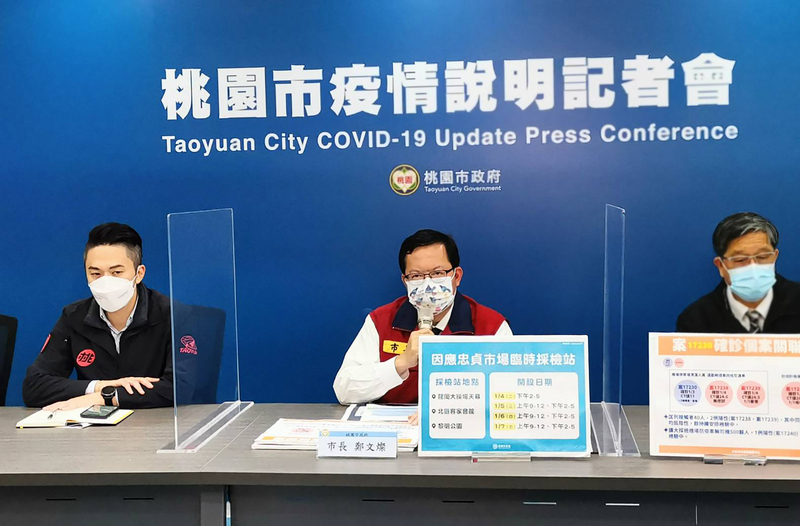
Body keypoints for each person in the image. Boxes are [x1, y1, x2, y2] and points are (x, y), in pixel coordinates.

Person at [334, 229, 512, 405]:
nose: (428, 284)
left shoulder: (492, 326)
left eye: (437, 273)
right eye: (416, 276)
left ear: (456, 276)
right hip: (396, 422)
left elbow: (510, 395)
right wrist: (400, 363)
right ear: (405, 281)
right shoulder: (381, 321)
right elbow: (344, 390)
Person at [22, 223, 174, 410]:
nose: (105, 281)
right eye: (95, 273)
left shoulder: (172, 315)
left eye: (116, 272)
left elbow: (178, 387)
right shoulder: (74, 317)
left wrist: (106, 397)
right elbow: (34, 386)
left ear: (139, 273)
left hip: (157, 424)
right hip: (92, 425)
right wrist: (98, 387)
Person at [677, 212, 800, 333]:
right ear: (721, 265)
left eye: (762, 256)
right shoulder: (696, 320)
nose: (753, 267)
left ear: (775, 257)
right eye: (740, 259)